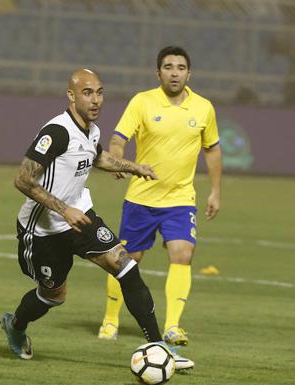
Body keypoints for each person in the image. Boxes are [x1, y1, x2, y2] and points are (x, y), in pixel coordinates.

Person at [0, 69, 194, 370]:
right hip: (42, 231)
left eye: (100, 92)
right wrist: (63, 209)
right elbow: (22, 179)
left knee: (126, 266)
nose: (95, 100)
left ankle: (159, 348)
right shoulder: (57, 132)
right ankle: (17, 325)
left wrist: (133, 166)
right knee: (54, 294)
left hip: (82, 217)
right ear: (71, 96)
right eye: (87, 93)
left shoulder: (91, 131)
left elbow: (97, 156)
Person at [97, 46, 222, 346]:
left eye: (180, 67)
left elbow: (212, 149)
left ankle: (172, 327)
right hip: (142, 198)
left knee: (183, 253)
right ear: (158, 73)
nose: (174, 72)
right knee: (126, 260)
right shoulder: (142, 101)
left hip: (180, 199)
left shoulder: (203, 108)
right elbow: (117, 138)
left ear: (189, 74)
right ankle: (110, 320)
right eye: (168, 67)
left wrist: (216, 190)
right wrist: (118, 160)